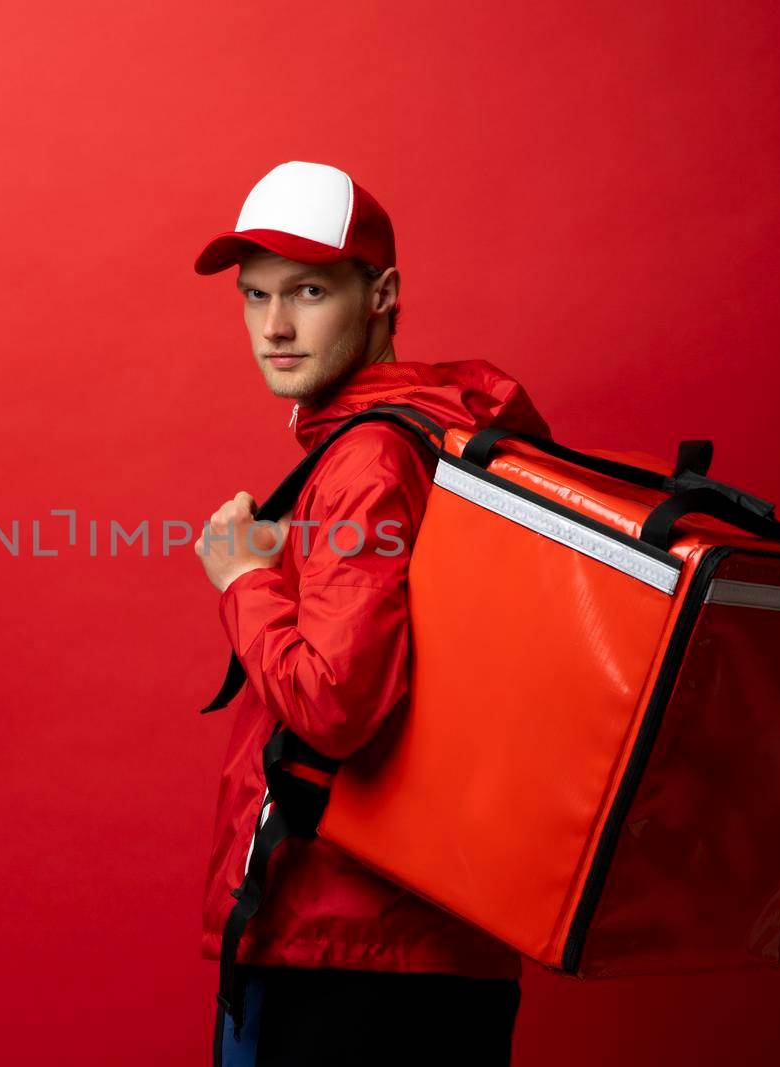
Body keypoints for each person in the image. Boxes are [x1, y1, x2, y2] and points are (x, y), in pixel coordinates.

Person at [191, 161, 554, 1065]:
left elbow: (337, 705)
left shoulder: (371, 461)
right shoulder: (434, 437)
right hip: (427, 945)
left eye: (308, 291)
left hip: (345, 952)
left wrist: (243, 581)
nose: (274, 326)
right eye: (255, 296)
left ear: (383, 294)